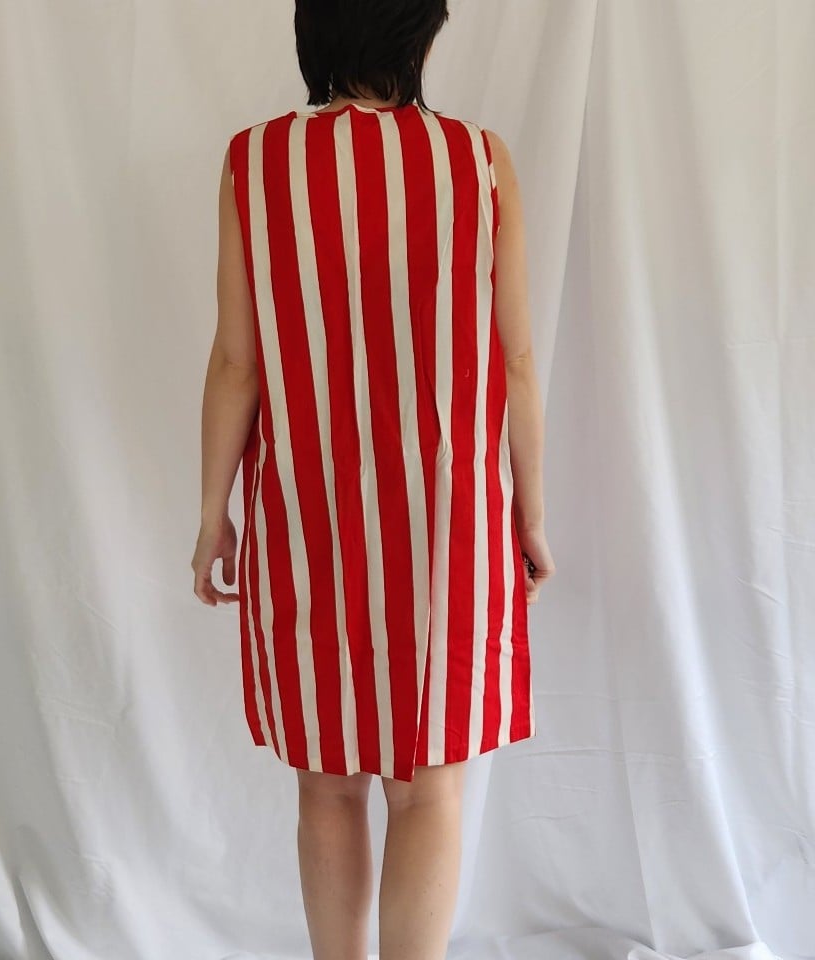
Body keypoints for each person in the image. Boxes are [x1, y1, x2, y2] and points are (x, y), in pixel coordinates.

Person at [193, 2, 555, 957]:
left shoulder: (255, 161)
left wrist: (212, 513)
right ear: (421, 36)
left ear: (313, 32)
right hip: (452, 520)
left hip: (307, 516)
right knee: (428, 785)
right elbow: (517, 359)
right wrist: (531, 514)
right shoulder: (479, 159)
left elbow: (237, 360)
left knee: (327, 779)